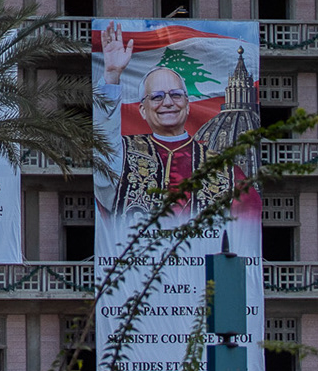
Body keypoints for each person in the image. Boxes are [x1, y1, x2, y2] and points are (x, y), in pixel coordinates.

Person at [94, 22, 257, 224]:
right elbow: (104, 136)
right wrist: (111, 76)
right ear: (143, 110)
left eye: (176, 95)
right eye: (157, 97)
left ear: (188, 106)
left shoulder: (225, 169)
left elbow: (248, 227)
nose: (168, 103)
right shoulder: (123, 154)